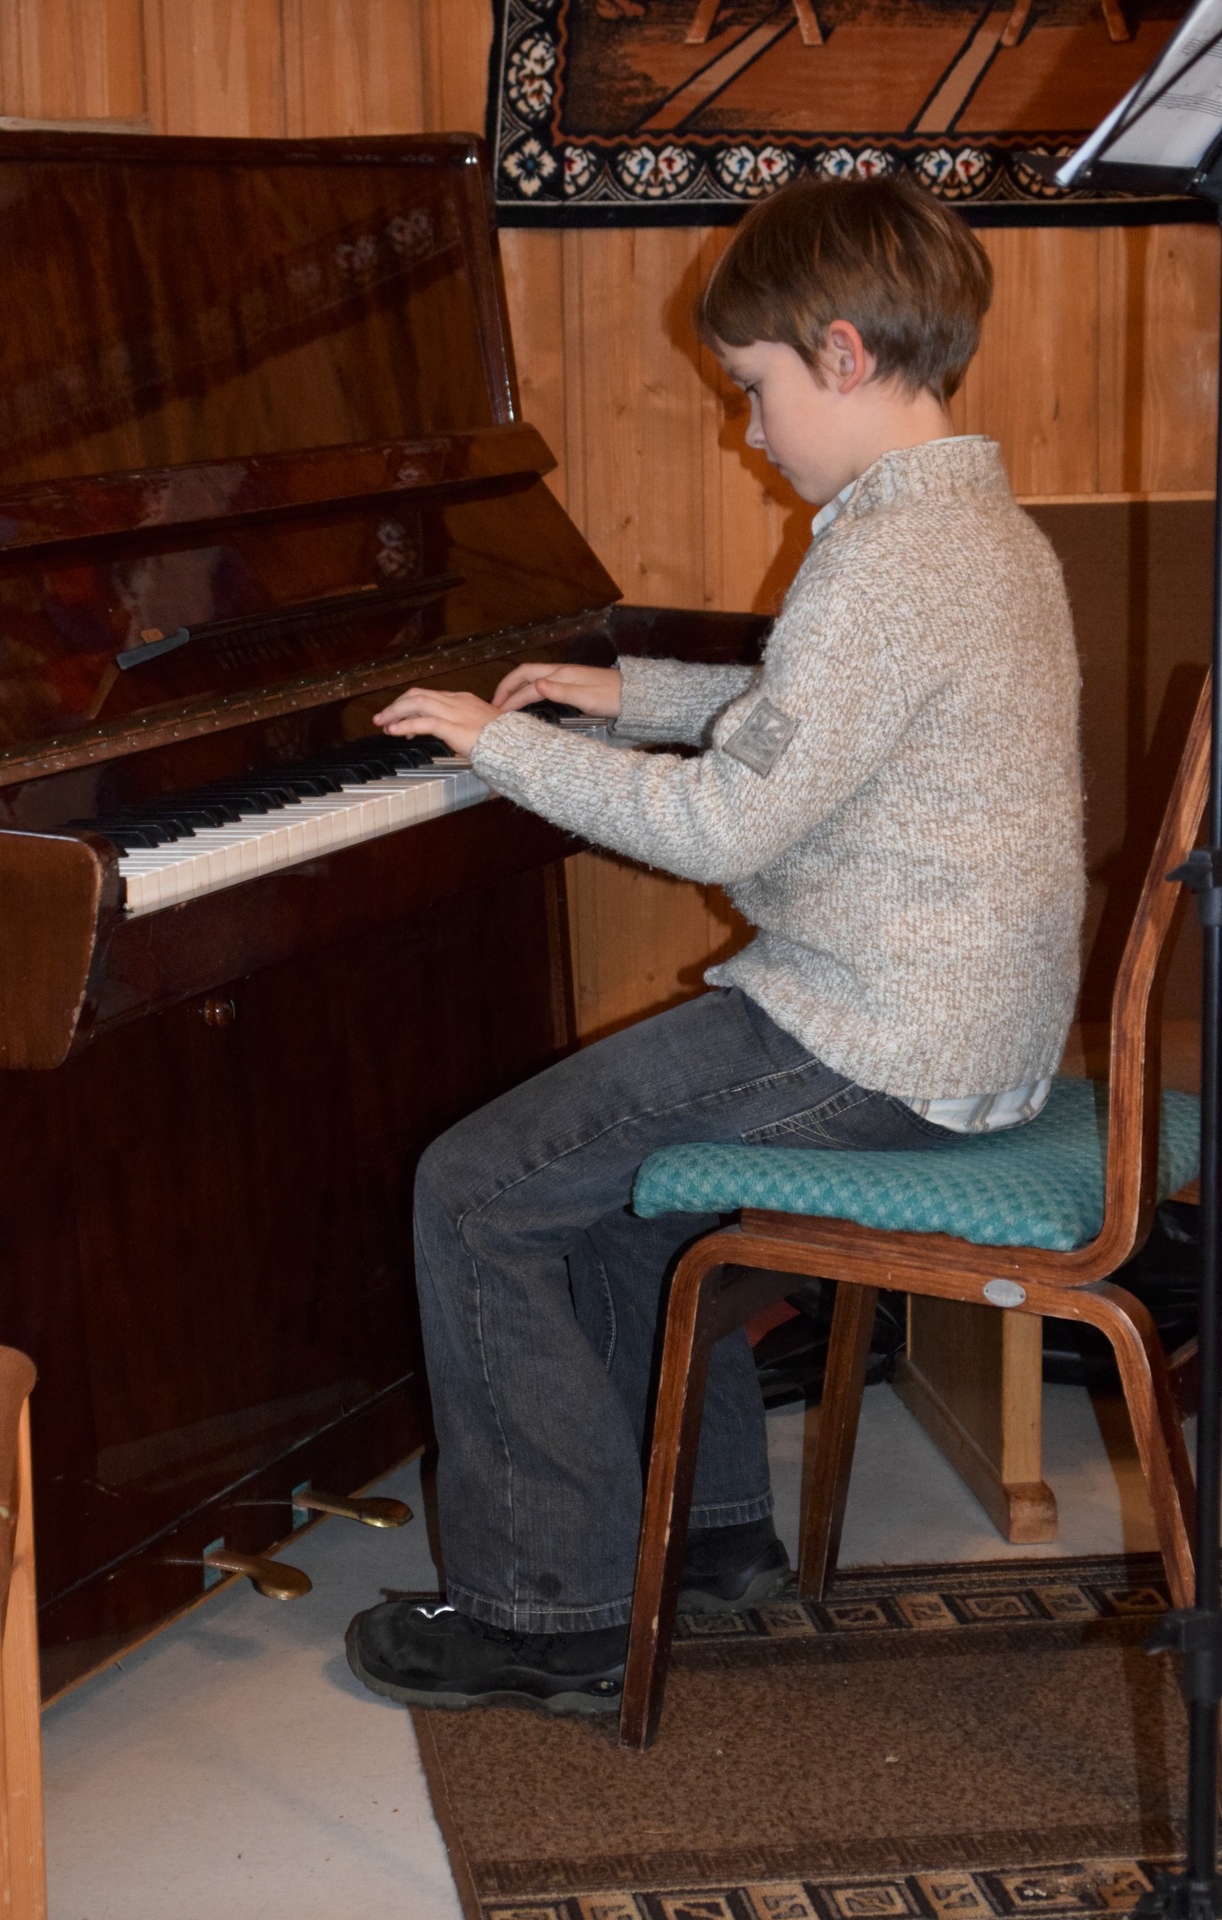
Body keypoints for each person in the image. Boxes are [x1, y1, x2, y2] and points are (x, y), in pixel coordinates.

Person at [344, 173, 1085, 1716]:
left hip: (876, 1036)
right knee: (620, 1202)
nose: (749, 431)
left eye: (751, 388)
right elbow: (819, 723)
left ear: (838, 354)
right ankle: (707, 1535)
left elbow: (722, 828)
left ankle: (546, 1614)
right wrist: (631, 698)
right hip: (961, 1027)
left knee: (474, 1191)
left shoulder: (885, 561)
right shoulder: (973, 529)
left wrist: (501, 745)